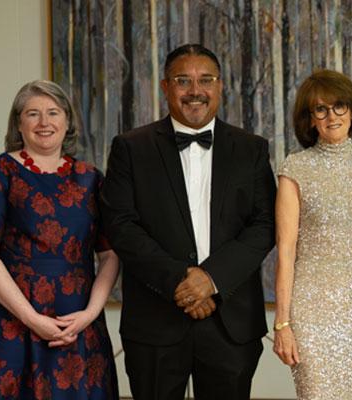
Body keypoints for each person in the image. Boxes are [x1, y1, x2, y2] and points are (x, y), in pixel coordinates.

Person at [100, 44, 276, 399]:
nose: (195, 90)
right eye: (183, 80)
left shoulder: (251, 148)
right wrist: (182, 281)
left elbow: (265, 224)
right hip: (155, 321)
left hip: (231, 322)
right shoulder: (131, 148)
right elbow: (120, 225)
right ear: (165, 87)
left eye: (205, 80)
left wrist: (211, 279)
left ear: (220, 85)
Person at [0, 80, 119, 399]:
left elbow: (110, 255)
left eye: (53, 112)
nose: (44, 122)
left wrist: (91, 314)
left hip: (77, 324)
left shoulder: (92, 179)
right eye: (33, 113)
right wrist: (31, 319)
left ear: (67, 122)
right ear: (18, 123)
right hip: (7, 324)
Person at [270, 69, 352, 399]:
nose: (332, 115)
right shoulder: (295, 168)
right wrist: (282, 324)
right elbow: (285, 250)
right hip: (311, 312)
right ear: (310, 119)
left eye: (339, 106)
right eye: (321, 109)